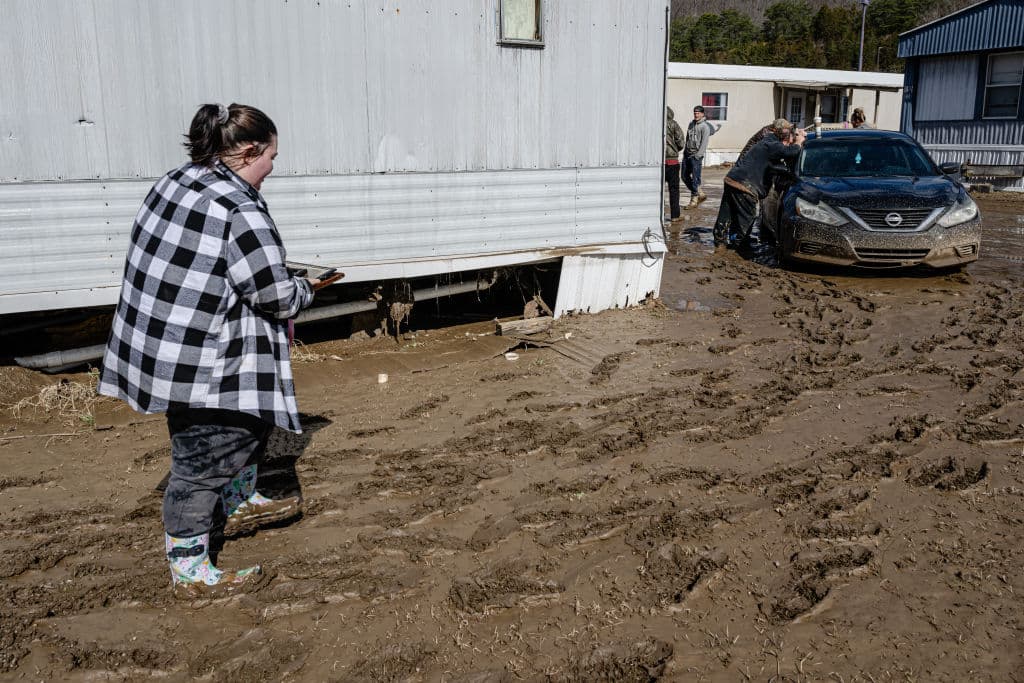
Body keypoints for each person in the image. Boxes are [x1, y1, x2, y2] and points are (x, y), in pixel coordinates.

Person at [98, 103, 341, 599]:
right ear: (251, 151)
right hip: (209, 362)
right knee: (202, 461)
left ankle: (241, 498)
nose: (274, 165)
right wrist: (308, 288)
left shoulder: (177, 180)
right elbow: (272, 294)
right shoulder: (241, 208)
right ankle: (190, 572)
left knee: (245, 428)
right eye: (272, 155)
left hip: (165, 350)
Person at [713, 126, 806, 253]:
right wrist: (799, 142)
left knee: (727, 213)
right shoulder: (773, 145)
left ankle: (720, 243)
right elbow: (791, 152)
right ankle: (740, 246)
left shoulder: (766, 141)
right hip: (745, 186)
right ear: (785, 140)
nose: (788, 145)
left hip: (732, 180)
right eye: (788, 142)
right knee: (748, 216)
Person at [682, 105, 721, 209]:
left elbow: (704, 143)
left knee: (695, 179)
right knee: (684, 176)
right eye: (695, 113)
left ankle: (693, 201)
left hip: (696, 156)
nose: (696, 114)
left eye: (698, 113)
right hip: (687, 154)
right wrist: (685, 152)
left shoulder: (705, 127)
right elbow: (687, 139)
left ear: (703, 114)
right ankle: (700, 193)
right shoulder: (691, 124)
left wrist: (698, 156)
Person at [664, 106, 686, 223]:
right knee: (674, 190)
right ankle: (675, 216)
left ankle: (659, 214)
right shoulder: (673, 124)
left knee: (658, 191)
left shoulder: (654, 123)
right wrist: (674, 149)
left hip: (658, 162)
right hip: (672, 161)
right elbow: (681, 142)